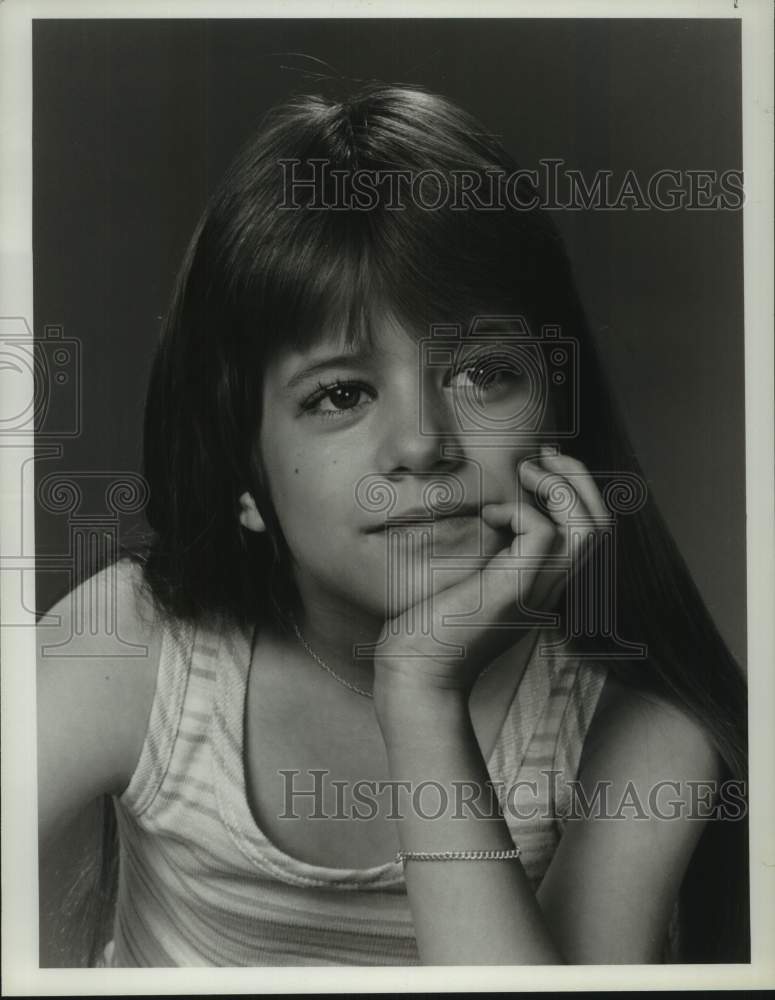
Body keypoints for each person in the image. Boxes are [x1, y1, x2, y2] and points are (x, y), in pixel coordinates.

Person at [37, 84, 748, 967]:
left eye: (482, 374)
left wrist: (420, 690)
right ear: (242, 477)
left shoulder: (634, 725)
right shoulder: (136, 644)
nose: (421, 444)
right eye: (341, 393)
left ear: (557, 424)